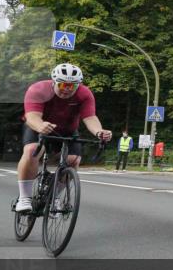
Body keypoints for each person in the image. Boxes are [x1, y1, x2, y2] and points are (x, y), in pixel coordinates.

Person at [14, 63, 112, 212]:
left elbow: (90, 117)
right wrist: (40, 126)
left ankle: (55, 197)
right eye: (63, 85)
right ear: (54, 82)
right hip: (39, 126)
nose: (67, 89)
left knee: (73, 160)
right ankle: (24, 198)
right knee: (32, 150)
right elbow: (32, 116)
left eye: (72, 86)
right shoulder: (38, 89)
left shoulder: (84, 94)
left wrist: (99, 132)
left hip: (67, 130)